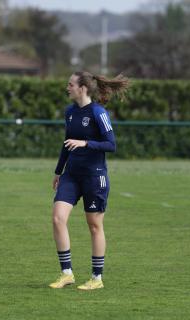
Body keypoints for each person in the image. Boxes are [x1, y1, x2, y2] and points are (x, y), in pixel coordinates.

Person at [49, 71, 129, 290]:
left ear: (82, 88)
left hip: (94, 177)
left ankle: (96, 278)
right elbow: (67, 143)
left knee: (94, 226)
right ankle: (66, 273)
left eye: (70, 84)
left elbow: (111, 144)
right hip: (71, 175)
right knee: (57, 218)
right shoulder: (70, 112)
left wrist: (85, 143)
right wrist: (58, 171)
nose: (67, 87)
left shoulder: (98, 112)